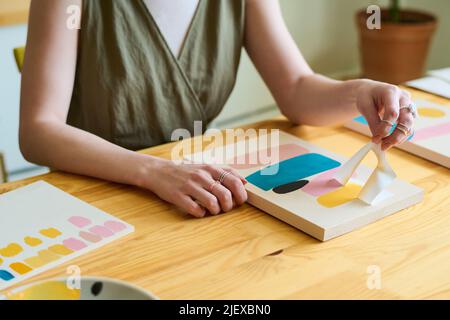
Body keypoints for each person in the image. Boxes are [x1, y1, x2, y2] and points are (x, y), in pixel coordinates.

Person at [19, 0, 416, 218]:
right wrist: (153, 171)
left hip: (194, 193)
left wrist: (361, 91)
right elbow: (39, 131)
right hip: (92, 197)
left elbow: (296, 90)